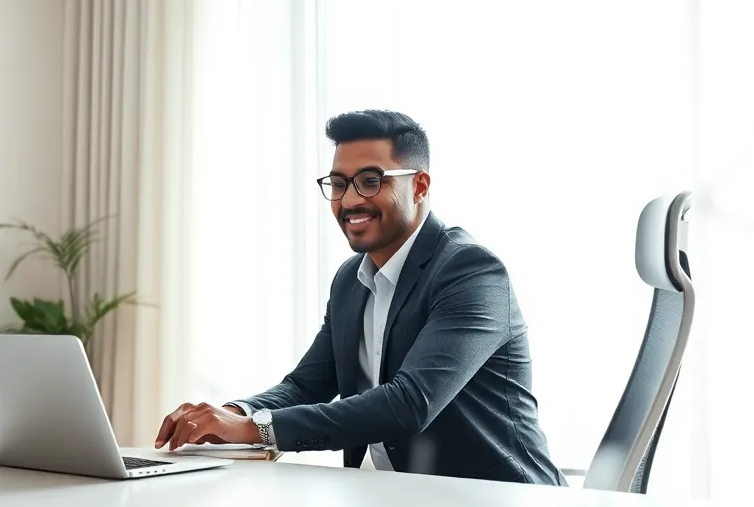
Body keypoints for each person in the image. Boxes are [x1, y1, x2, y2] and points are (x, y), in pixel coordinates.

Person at [154, 109, 565, 484]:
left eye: (371, 182)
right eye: (338, 183)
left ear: (419, 186)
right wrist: (234, 414)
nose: (349, 200)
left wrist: (256, 429)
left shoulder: (470, 271)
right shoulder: (351, 279)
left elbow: (410, 403)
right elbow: (305, 385)